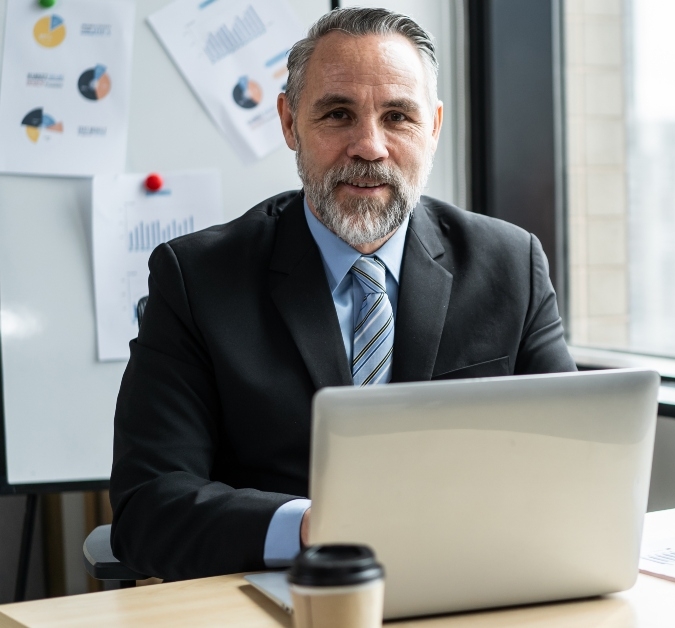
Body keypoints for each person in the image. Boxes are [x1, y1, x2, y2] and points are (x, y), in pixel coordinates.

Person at [109, 8, 575, 580]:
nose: (369, 147)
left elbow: (575, 462)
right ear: (289, 123)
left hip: (469, 581)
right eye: (337, 114)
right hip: (284, 592)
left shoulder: (511, 264)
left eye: (397, 116)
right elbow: (148, 508)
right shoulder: (196, 278)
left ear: (433, 127)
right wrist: (318, 526)